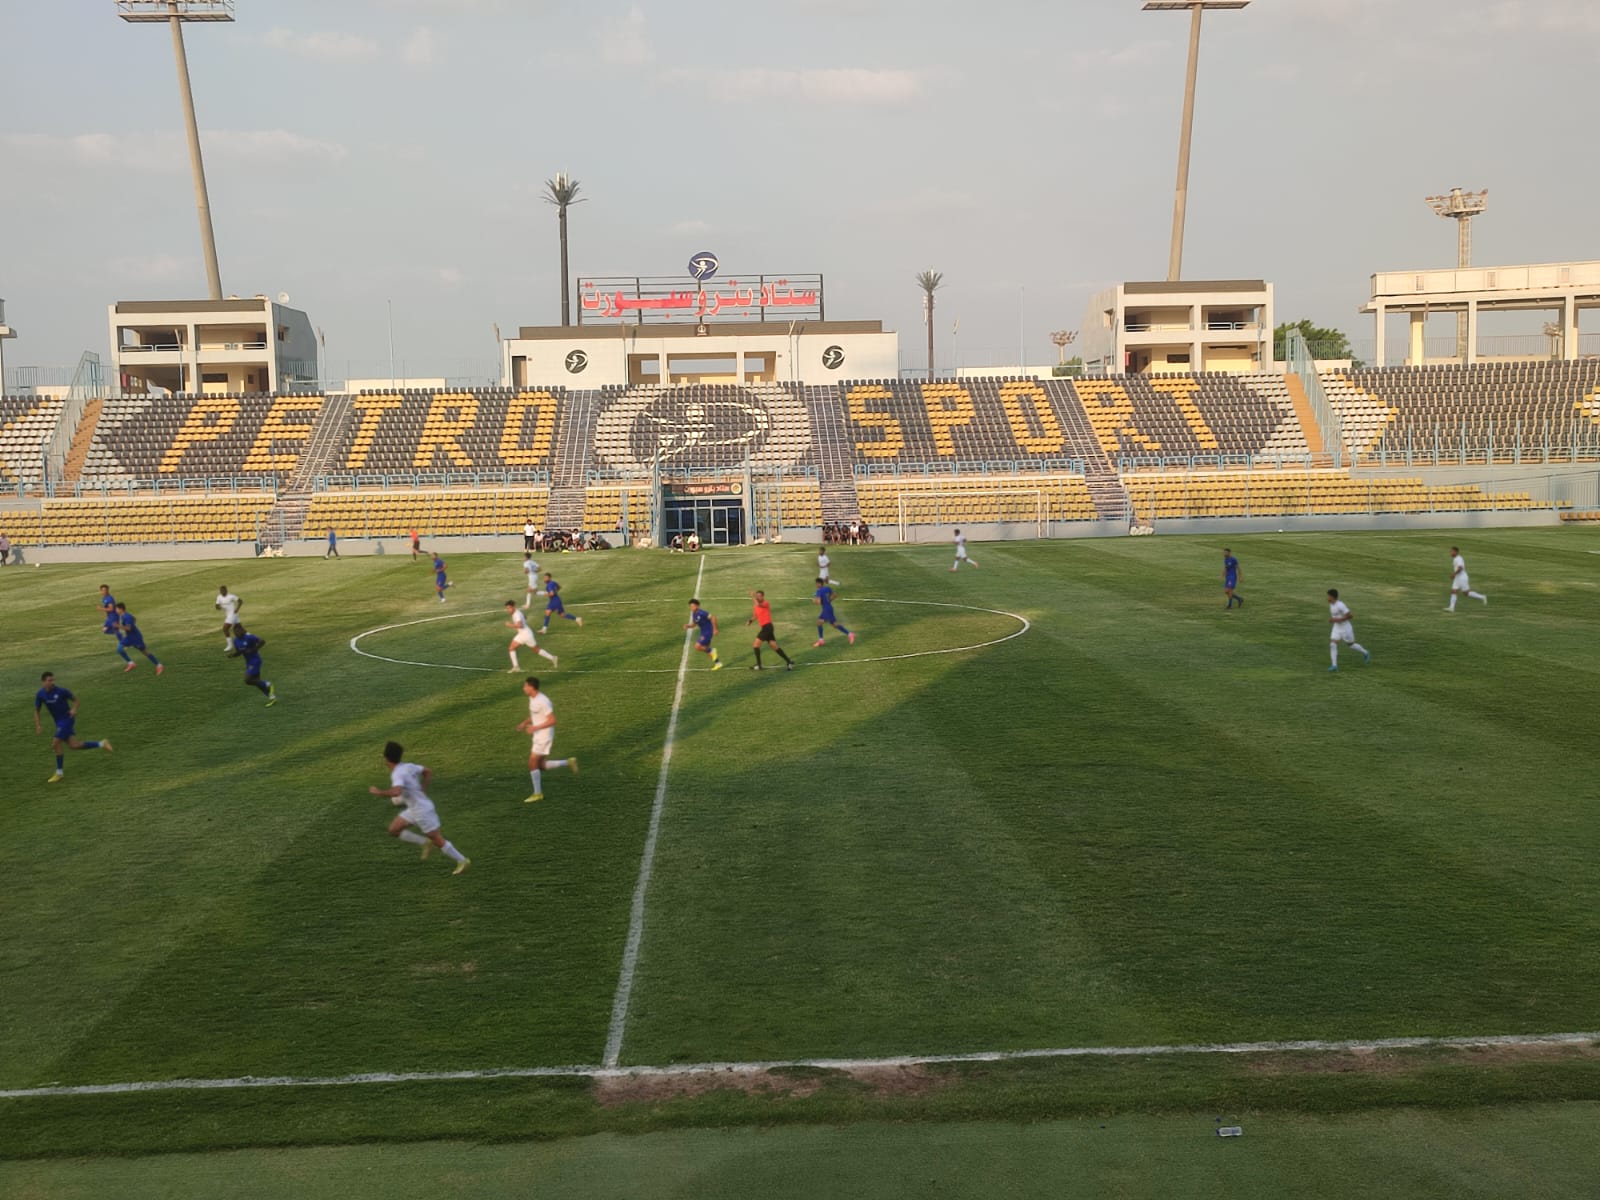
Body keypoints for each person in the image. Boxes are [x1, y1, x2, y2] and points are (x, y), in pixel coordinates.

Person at [369, 741, 470, 875]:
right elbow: (427, 771)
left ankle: (462, 860)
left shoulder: (397, 774)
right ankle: (424, 842)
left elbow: (396, 792)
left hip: (422, 811)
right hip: (414, 808)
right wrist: (423, 789)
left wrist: (379, 792)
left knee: (437, 839)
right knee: (394, 829)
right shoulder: (408, 766)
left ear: (386, 758)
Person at [34, 671, 113, 783]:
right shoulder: (40, 694)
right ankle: (102, 743)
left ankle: (59, 773)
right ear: (43, 682)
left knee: (55, 743)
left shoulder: (61, 691)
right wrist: (38, 725)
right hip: (59, 722)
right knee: (74, 745)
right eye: (49, 680)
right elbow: (37, 711)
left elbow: (76, 700)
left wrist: (74, 709)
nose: (52, 682)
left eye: (53, 680)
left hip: (67, 719)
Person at [519, 676, 578, 803]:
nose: (523, 688)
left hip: (544, 736)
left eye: (525, 686)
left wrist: (535, 727)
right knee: (540, 765)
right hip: (538, 734)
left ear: (531, 687)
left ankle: (537, 793)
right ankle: (568, 762)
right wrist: (525, 722)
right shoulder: (532, 698)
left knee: (532, 763)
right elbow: (535, 714)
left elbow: (552, 720)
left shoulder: (543, 701)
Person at [229, 622, 278, 705]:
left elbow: (262, 641)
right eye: (235, 632)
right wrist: (233, 655)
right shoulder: (236, 641)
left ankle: (268, 684)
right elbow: (239, 652)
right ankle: (272, 697)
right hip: (248, 662)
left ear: (241, 630)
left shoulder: (249, 637)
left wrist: (253, 650)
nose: (236, 633)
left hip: (255, 661)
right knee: (257, 682)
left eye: (238, 631)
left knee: (248, 680)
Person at [747, 589, 794, 671]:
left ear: (763, 597)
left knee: (756, 645)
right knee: (774, 646)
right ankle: (789, 661)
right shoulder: (755, 606)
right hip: (766, 628)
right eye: (757, 596)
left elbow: (758, 604)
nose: (758, 597)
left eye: (759, 596)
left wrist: (753, 597)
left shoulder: (765, 603)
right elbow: (755, 616)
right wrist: (750, 621)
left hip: (767, 627)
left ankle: (759, 665)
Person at [505, 600, 557, 672]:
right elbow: (525, 617)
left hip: (526, 635)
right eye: (507, 608)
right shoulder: (517, 612)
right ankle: (516, 667)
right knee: (511, 648)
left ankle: (553, 658)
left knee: (536, 650)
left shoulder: (516, 614)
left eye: (509, 608)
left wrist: (510, 625)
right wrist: (522, 620)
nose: (508, 610)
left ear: (513, 607)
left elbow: (520, 625)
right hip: (522, 634)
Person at [1326, 588, 1371, 672]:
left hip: (1345, 628)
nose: (1327, 597)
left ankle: (1365, 652)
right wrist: (1334, 620)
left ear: (1332, 597)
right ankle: (1334, 666)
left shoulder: (1340, 605)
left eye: (1328, 596)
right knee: (1332, 644)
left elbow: (1350, 616)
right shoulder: (1331, 604)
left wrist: (1338, 619)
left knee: (1351, 645)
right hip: (1337, 627)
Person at [114, 603, 164, 674]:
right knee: (120, 649)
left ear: (121, 609)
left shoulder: (126, 617)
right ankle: (131, 663)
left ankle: (159, 665)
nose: (115, 610)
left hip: (136, 637)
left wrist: (118, 626)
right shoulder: (123, 616)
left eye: (116, 609)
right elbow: (134, 619)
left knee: (145, 652)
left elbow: (129, 628)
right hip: (129, 637)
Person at [812, 578, 854, 647]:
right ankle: (850, 634)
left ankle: (821, 640)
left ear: (819, 584)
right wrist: (828, 600)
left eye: (816, 583)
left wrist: (814, 600)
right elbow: (835, 595)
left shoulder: (819, 591)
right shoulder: (827, 588)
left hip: (826, 610)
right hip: (829, 608)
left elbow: (819, 602)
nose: (816, 585)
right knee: (833, 624)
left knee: (820, 623)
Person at [1447, 545, 1488, 612]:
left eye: (1452, 551)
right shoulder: (1455, 558)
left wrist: (1454, 574)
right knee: (1454, 591)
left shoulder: (1459, 559)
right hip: (1458, 578)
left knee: (1466, 593)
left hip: (1462, 578)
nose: (1450, 553)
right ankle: (1451, 608)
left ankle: (1482, 597)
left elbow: (1460, 568)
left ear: (1456, 552)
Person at [686, 598, 722, 669]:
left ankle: (712, 650)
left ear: (697, 606)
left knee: (697, 646)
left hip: (708, 631)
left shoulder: (702, 613)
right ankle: (718, 664)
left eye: (693, 606)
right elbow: (694, 624)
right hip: (703, 632)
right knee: (708, 651)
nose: (691, 608)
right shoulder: (694, 614)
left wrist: (715, 629)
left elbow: (713, 617)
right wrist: (688, 626)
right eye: (690, 606)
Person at [215, 585, 243, 651]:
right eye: (221, 591)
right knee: (240, 629)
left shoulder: (231, 596)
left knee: (225, 628)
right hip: (230, 615)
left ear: (226, 590)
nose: (222, 592)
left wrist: (237, 609)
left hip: (232, 615)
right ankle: (253, 639)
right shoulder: (219, 597)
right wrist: (218, 607)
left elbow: (240, 601)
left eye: (223, 590)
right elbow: (217, 606)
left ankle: (230, 645)